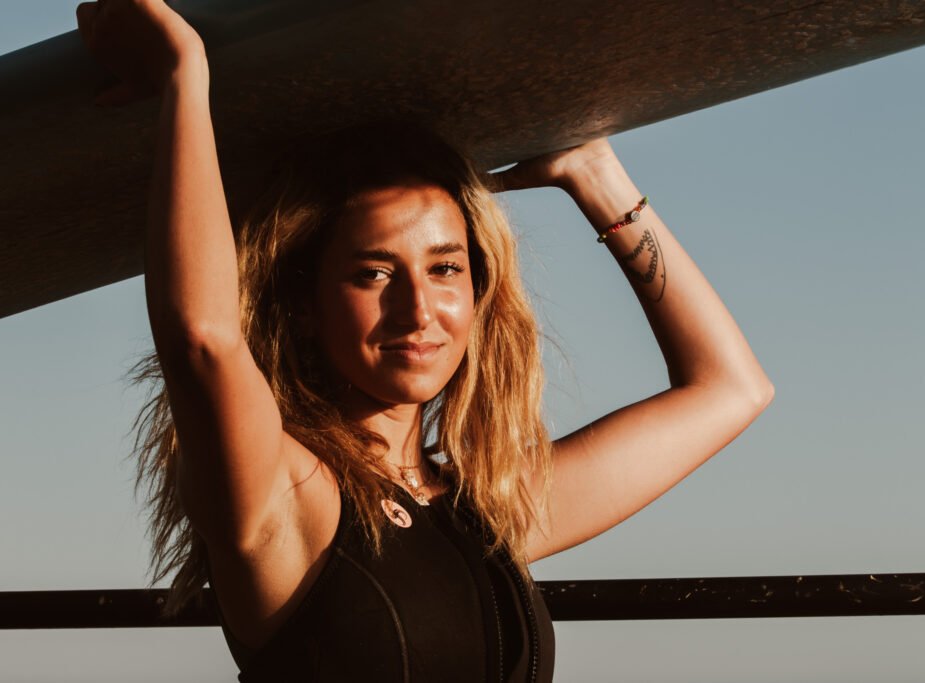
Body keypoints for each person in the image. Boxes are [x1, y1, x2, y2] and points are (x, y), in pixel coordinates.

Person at [76, 1, 775, 681]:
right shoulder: (288, 494)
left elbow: (732, 388)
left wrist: (593, 174)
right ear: (307, 305)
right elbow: (203, 337)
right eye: (373, 272)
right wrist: (184, 75)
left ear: (479, 291)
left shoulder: (490, 512)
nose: (418, 309)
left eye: (445, 268)